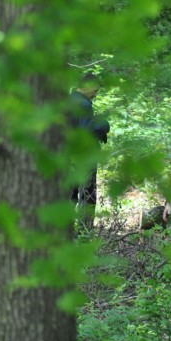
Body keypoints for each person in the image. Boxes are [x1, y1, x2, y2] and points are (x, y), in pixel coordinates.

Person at [67, 72, 110, 227]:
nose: (95, 94)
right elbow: (86, 130)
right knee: (88, 196)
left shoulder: (68, 99)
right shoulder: (84, 104)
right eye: (95, 90)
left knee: (69, 194)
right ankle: (84, 232)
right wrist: (103, 126)